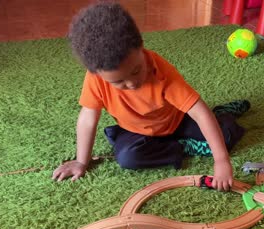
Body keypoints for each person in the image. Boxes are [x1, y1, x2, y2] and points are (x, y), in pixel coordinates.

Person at [52, 2, 249, 191]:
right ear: (96, 72)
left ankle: (222, 113)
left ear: (141, 47)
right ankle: (183, 147)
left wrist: (221, 161)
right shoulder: (95, 79)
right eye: (118, 82)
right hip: (137, 131)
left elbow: (199, 112)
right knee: (128, 158)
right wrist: (81, 161)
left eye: (136, 71)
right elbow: (88, 119)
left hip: (177, 120)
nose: (131, 84)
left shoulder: (162, 72)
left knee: (227, 135)